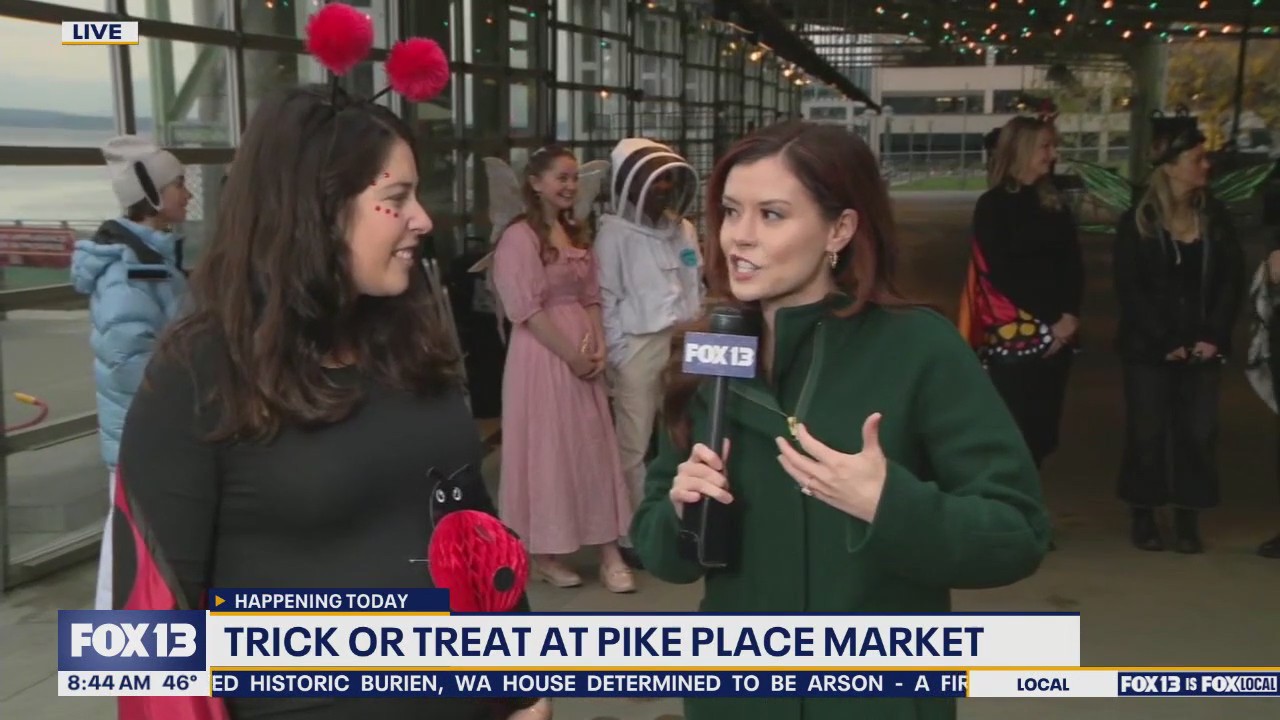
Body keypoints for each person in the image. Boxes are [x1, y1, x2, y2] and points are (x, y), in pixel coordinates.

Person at [112, 83, 550, 719]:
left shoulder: (409, 344)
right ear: (314, 213)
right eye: (394, 199)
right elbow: (154, 632)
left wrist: (523, 685)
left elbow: (473, 529)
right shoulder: (197, 376)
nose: (423, 219)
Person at [630, 120, 1051, 720]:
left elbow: (1017, 534)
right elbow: (664, 554)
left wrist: (891, 504)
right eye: (730, 211)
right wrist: (678, 510)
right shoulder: (705, 353)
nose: (738, 238)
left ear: (840, 229)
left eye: (772, 215)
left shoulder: (918, 349)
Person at [491, 145, 635, 593]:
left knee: (593, 446)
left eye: (574, 178)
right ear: (536, 182)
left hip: (582, 347)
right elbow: (526, 309)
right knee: (547, 449)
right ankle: (543, 552)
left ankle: (608, 548)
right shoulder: (518, 237)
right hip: (541, 354)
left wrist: (596, 347)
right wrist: (570, 354)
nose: (571, 186)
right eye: (561, 177)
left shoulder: (577, 232)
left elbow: (592, 295)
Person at [1113, 110, 1244, 554]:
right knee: (1148, 431)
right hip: (1150, 349)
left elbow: (1231, 280)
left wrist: (1214, 335)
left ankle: (1188, 517)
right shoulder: (1139, 221)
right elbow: (1130, 289)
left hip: (1204, 347)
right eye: (1196, 158)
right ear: (1170, 166)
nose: (1205, 165)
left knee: (1199, 432)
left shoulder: (1216, 219)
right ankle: (1145, 512)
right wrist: (1163, 340)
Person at [70, 134, 190, 611]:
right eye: (179, 183)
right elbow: (130, 364)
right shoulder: (130, 272)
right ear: (152, 193)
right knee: (130, 554)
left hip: (147, 436)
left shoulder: (151, 260)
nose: (189, 192)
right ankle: (127, 658)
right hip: (144, 439)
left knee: (133, 550)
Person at [594, 138, 703, 568]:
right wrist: (620, 355)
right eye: (654, 181)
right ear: (630, 184)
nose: (664, 187)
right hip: (639, 347)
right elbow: (607, 298)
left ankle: (681, 520)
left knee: (682, 434)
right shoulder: (614, 235)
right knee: (633, 445)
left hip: (684, 342)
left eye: (668, 179)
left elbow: (696, 284)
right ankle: (633, 531)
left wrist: (696, 335)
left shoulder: (684, 230)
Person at [971, 116, 1083, 472]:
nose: (1053, 154)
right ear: (1021, 150)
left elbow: (1073, 264)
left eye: (1054, 146)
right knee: (1013, 428)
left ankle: (1028, 507)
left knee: (1041, 431)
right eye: (1045, 146)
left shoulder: (1054, 203)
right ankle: (1012, 512)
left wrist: (1068, 317)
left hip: (1058, 335)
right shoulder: (993, 206)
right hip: (1015, 337)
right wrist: (1053, 317)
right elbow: (1002, 272)